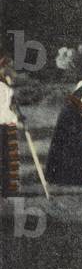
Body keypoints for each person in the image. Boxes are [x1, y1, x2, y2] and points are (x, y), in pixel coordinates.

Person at [0, 57, 20, 196]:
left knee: (8, 157)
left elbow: (11, 105)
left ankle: (8, 187)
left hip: (6, 125)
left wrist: (18, 113)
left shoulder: (7, 87)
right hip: (3, 124)